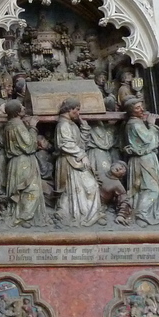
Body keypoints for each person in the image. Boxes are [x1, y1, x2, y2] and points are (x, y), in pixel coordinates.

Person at [123, 98, 159, 225]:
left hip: (147, 157)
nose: (142, 109)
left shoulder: (137, 122)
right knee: (151, 188)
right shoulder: (134, 124)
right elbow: (149, 140)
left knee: (154, 187)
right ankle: (141, 213)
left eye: (141, 106)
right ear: (131, 111)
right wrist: (151, 124)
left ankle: (158, 212)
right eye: (137, 108)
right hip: (143, 159)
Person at [54, 97, 102, 226]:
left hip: (75, 161)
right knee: (83, 188)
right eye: (77, 110)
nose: (78, 113)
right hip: (70, 162)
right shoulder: (63, 124)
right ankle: (79, 215)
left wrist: (84, 128)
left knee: (88, 188)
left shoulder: (71, 124)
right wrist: (82, 155)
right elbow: (65, 144)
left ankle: (88, 214)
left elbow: (80, 144)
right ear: (70, 109)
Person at [0, 100, 48, 227]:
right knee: (31, 189)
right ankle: (24, 217)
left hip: (15, 162)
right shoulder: (17, 125)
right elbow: (29, 146)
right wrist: (32, 127)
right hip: (23, 161)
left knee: (23, 191)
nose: (24, 108)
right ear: (17, 112)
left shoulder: (10, 124)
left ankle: (22, 215)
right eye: (21, 107)